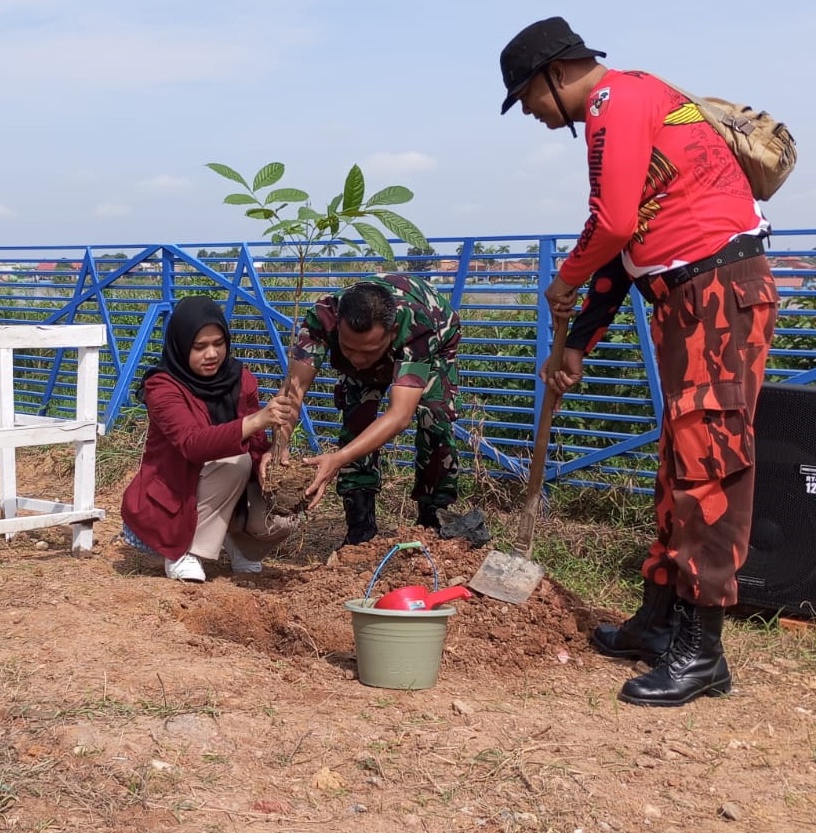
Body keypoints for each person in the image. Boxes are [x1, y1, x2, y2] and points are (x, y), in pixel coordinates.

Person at [500, 17, 778, 707]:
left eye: (527, 98)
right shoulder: (635, 101)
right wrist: (573, 345)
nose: (532, 115)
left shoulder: (613, 104)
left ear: (554, 75)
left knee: (708, 458)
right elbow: (625, 251)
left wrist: (562, 279)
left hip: (716, 293)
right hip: (686, 296)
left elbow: (613, 222)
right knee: (679, 456)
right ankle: (659, 620)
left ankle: (702, 649)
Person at [120, 296, 298, 582]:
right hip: (177, 491)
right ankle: (184, 553)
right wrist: (254, 421)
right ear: (181, 345)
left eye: (218, 343)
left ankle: (242, 548)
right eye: (199, 347)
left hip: (223, 485)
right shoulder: (162, 387)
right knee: (235, 462)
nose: (212, 354)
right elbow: (192, 444)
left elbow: (255, 442)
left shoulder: (240, 378)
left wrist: (268, 457)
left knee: (282, 517)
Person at [277, 277, 462, 547]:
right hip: (380, 333)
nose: (358, 360)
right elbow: (294, 389)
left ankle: (432, 519)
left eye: (369, 351)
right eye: (348, 349)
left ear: (392, 331)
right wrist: (279, 444)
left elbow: (400, 415)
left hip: (437, 331)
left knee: (433, 417)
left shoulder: (417, 325)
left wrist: (338, 459)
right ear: (337, 325)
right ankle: (360, 527)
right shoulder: (322, 317)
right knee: (357, 421)